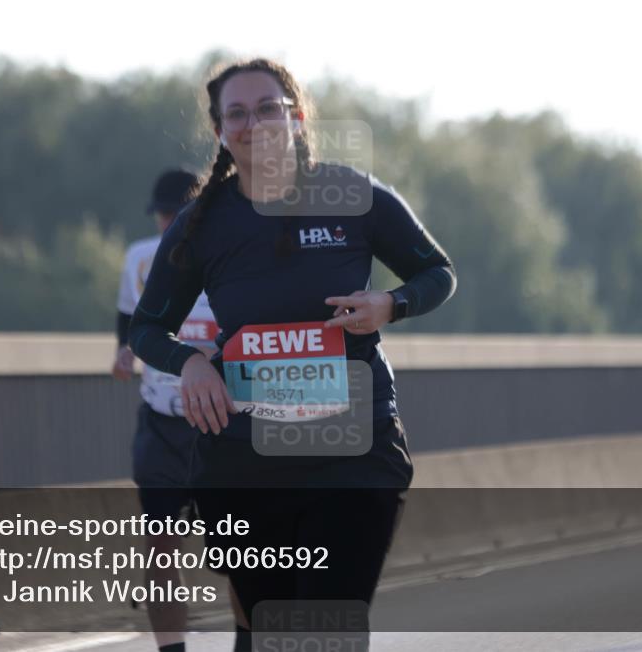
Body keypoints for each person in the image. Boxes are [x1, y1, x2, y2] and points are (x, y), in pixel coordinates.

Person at [128, 59, 456, 651]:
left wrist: (391, 303)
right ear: (221, 130)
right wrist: (193, 363)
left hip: (353, 448)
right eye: (237, 113)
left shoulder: (355, 196)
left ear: (297, 117)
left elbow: (437, 272)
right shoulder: (203, 222)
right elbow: (148, 330)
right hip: (246, 461)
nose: (254, 123)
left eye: (267, 108)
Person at [113, 169, 248, 652]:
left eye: (176, 213)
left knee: (240, 552)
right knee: (162, 545)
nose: (169, 222)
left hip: (224, 421)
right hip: (162, 420)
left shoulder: (234, 251)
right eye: (163, 215)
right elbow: (131, 320)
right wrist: (124, 352)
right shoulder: (140, 257)